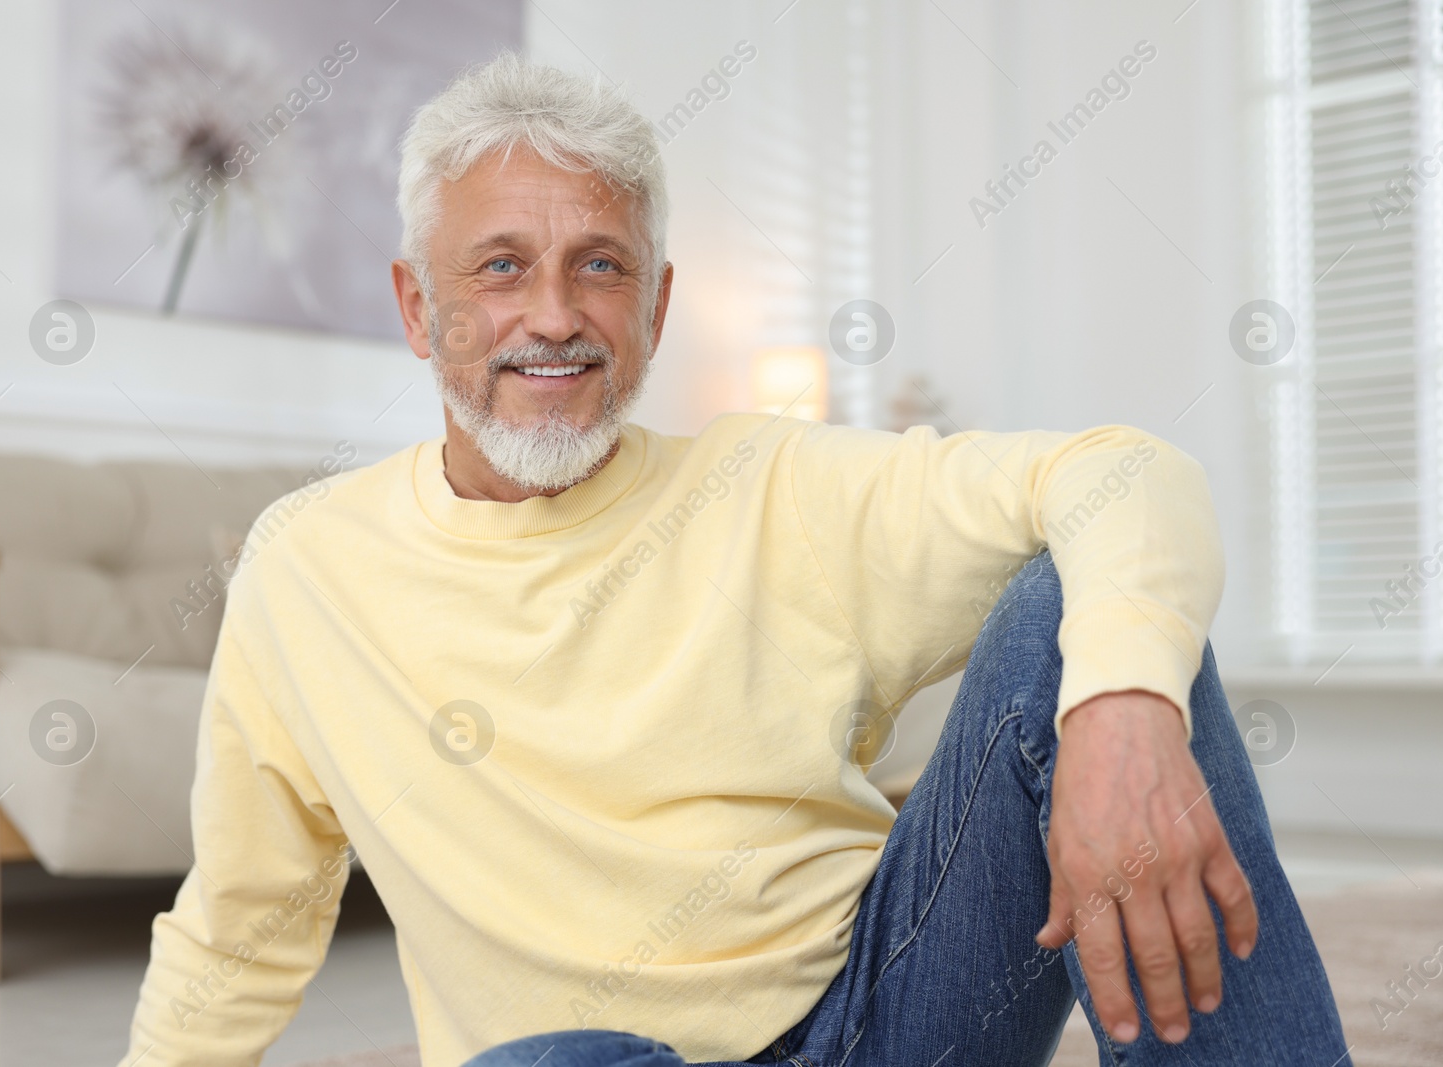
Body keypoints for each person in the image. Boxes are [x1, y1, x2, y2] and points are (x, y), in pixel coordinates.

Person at [117, 53, 1349, 1067]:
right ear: (415, 305)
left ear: (653, 309)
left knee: (1069, 620)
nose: (553, 314)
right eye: (500, 267)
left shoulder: (772, 485)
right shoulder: (306, 567)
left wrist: (1121, 710)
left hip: (882, 1022)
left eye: (598, 265)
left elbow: (1124, 473)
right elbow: (235, 931)